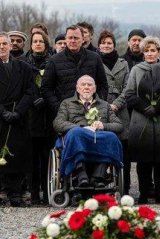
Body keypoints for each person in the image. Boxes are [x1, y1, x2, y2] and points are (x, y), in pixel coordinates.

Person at [125, 36, 160, 204]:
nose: (150, 53)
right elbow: (129, 94)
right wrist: (145, 108)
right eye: (146, 51)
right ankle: (144, 192)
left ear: (159, 51)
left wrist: (157, 108)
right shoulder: (136, 70)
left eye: (153, 50)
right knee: (143, 158)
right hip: (141, 119)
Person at [53, 75, 123, 188]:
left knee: (111, 137)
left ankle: (98, 176)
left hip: (98, 138)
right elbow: (58, 123)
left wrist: (103, 125)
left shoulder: (105, 105)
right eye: (83, 84)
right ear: (77, 88)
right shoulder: (67, 103)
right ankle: (81, 176)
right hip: (77, 137)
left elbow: (119, 126)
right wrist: (80, 127)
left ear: (94, 88)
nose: (86, 87)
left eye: (89, 85)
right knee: (75, 133)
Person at [41, 25, 108, 116]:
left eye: (76, 38)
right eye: (70, 38)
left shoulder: (95, 58)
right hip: (64, 114)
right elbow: (46, 88)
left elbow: (103, 85)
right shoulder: (54, 60)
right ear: (66, 39)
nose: (73, 41)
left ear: (83, 39)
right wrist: (59, 108)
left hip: (91, 112)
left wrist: (97, 105)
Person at [0, 32, 35, 207]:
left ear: (9, 46)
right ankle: (2, 190)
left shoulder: (24, 68)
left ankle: (16, 192)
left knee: (16, 155)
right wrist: (3, 112)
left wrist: (18, 112)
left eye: (4, 44)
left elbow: (30, 92)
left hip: (18, 117)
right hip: (1, 117)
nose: (2, 47)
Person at [22, 31, 55, 205]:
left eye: (41, 41)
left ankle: (47, 192)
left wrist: (46, 98)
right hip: (31, 116)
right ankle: (34, 193)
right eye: (35, 41)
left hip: (48, 116)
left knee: (47, 157)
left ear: (46, 44)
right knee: (33, 158)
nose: (37, 44)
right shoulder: (25, 63)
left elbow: (54, 85)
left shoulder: (53, 62)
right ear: (31, 44)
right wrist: (33, 98)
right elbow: (24, 86)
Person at [97, 30, 131, 195]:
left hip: (121, 111)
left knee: (123, 148)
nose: (106, 45)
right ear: (99, 45)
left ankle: (125, 188)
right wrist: (103, 106)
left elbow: (128, 87)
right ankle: (102, 182)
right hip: (100, 109)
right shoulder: (95, 62)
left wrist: (117, 104)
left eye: (109, 43)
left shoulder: (123, 64)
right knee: (102, 145)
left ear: (114, 45)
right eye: (103, 43)